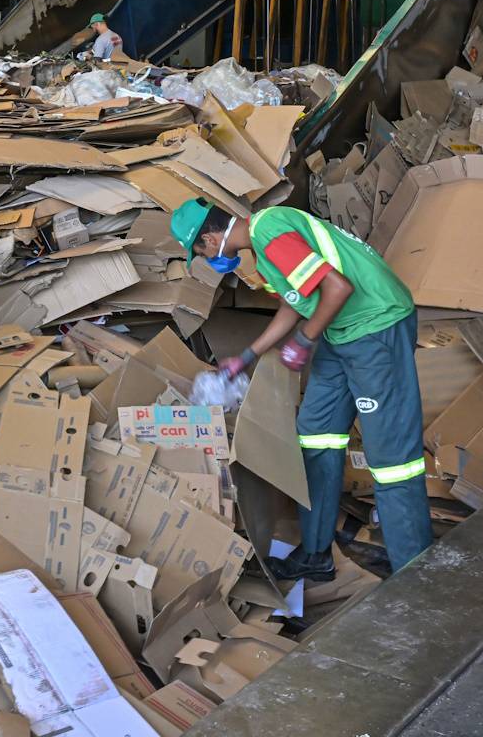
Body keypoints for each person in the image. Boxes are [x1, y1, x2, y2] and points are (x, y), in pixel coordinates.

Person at [170, 197, 433, 581]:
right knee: (316, 435)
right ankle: (315, 555)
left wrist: (305, 341)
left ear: (209, 240)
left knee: (392, 460)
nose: (210, 261)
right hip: (342, 331)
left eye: (201, 253)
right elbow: (296, 302)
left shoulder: (271, 231)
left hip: (377, 327)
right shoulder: (264, 248)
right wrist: (246, 356)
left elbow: (337, 288)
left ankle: (416, 574)